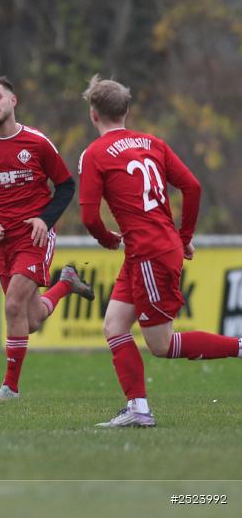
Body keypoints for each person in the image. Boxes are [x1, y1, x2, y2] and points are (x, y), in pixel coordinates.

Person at [78, 75, 241, 428]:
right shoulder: (153, 142)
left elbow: (89, 217)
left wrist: (108, 240)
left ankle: (239, 346)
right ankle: (138, 409)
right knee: (114, 324)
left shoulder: (95, 154)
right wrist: (183, 236)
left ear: (94, 114)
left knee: (162, 345)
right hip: (147, 250)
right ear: (126, 111)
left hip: (149, 253)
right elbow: (192, 187)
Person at [0, 76, 94, 401]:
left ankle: (10, 388)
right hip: (2, 242)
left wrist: (44, 220)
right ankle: (66, 282)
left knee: (13, 304)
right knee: (31, 319)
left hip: (34, 238)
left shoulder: (37, 143)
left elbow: (65, 186)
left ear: (13, 101)